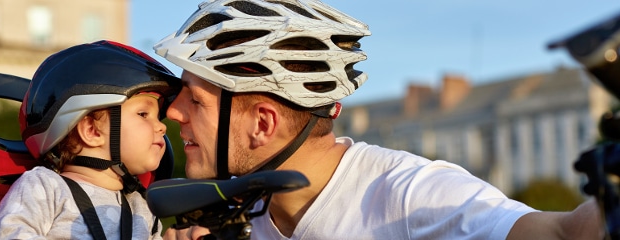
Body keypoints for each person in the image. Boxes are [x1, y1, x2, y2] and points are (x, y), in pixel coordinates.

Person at [154, 0, 604, 239]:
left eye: (195, 100)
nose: (173, 113)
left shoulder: (408, 195)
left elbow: (561, 234)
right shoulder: (230, 211)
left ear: (264, 124)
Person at [0, 40, 181, 239]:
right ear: (92, 131)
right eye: (143, 114)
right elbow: (10, 233)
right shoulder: (45, 187)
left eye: (158, 117)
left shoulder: (141, 207)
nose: (162, 126)